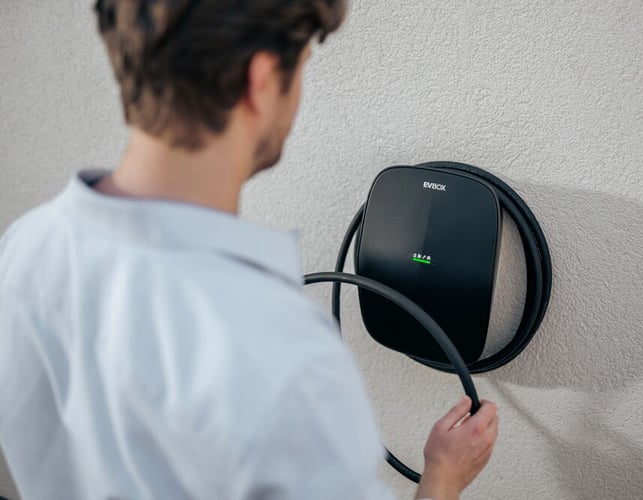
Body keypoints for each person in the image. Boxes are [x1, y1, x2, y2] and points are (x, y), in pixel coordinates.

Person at [0, 1, 498, 499]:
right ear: (259, 81)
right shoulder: (283, 359)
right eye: (301, 68)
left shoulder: (26, 247)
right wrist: (444, 479)